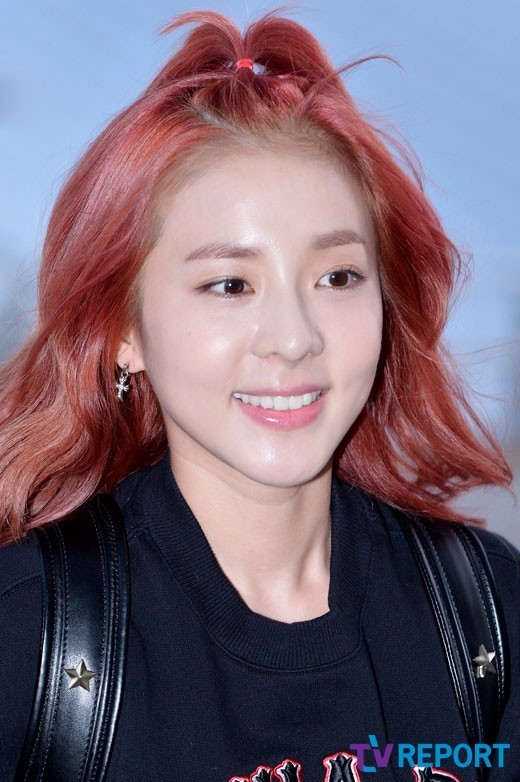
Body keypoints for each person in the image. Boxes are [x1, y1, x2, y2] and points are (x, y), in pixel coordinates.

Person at [0, 8, 518, 782]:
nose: (294, 337)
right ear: (122, 330)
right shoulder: (29, 630)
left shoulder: (487, 614)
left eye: (337, 276)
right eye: (230, 284)